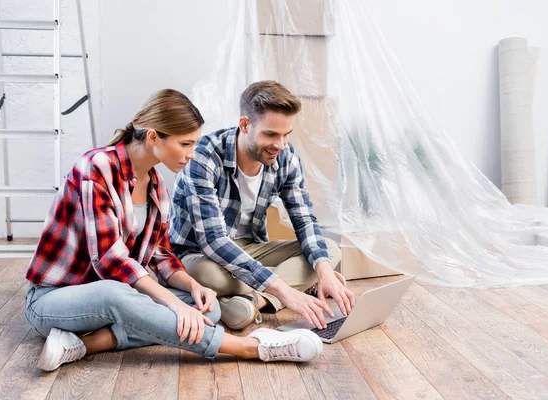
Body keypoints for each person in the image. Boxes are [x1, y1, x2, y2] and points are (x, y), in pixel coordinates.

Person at [24, 89, 324, 372]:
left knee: (209, 311)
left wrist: (193, 289)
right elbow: (109, 260)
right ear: (154, 137)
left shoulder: (155, 184)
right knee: (115, 293)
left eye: (194, 144)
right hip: (56, 298)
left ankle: (86, 343)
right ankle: (250, 347)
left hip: (123, 296)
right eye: (185, 144)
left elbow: (160, 256)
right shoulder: (95, 168)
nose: (192, 153)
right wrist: (173, 303)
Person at [169, 81, 355, 331]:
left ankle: (256, 300)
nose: (279, 144)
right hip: (199, 253)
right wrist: (286, 292)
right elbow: (213, 241)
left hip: (251, 247)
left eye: (286, 134)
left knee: (329, 252)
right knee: (208, 276)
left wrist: (324, 272)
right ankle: (287, 285)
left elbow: (304, 221)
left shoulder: (286, 157)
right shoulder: (203, 156)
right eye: (270, 134)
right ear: (245, 125)